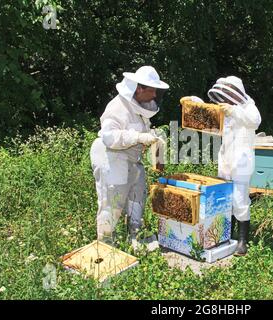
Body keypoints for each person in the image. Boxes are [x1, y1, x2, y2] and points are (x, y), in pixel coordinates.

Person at [90, 66, 169, 246]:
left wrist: (154, 139)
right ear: (139, 89)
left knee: (137, 195)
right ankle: (106, 243)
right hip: (112, 156)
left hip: (132, 159)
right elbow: (109, 137)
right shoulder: (117, 107)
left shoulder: (140, 108)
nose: (155, 95)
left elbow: (141, 133)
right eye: (152, 90)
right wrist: (139, 137)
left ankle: (135, 235)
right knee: (113, 201)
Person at [183, 76, 261, 255]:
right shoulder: (225, 111)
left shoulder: (249, 107)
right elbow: (209, 123)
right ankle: (226, 235)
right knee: (224, 198)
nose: (224, 100)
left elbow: (255, 121)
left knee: (239, 200)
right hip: (225, 159)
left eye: (227, 94)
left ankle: (242, 240)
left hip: (242, 161)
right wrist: (194, 104)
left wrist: (234, 111)